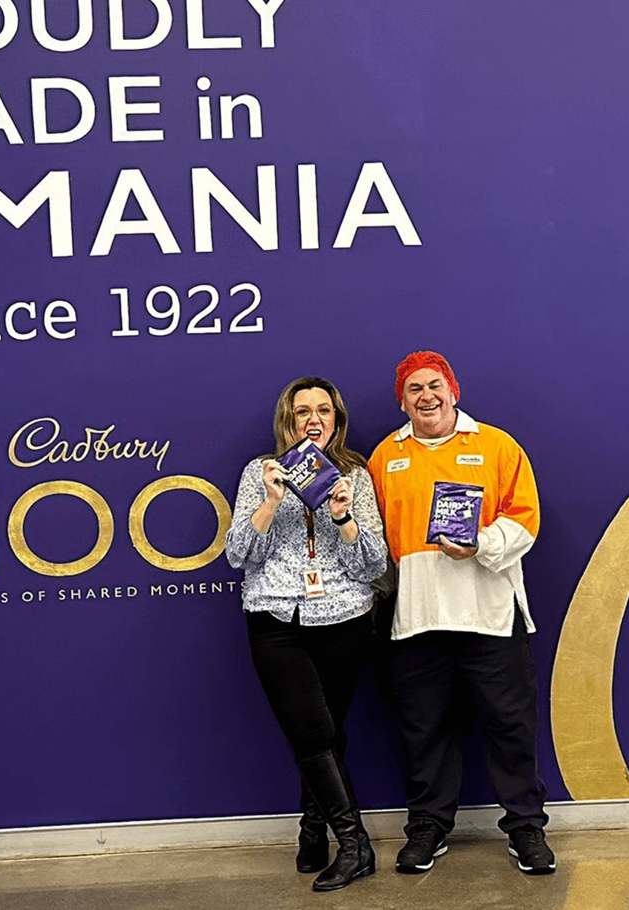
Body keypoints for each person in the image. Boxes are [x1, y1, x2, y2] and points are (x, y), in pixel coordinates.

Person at [369, 351, 555, 876]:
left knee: (511, 726)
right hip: (417, 618)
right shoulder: (386, 456)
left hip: (490, 614)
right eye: (413, 389)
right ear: (400, 400)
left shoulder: (497, 445)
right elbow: (375, 538)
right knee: (425, 729)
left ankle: (526, 828)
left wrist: (479, 543)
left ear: (453, 390)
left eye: (434, 385)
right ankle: (428, 826)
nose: (425, 396)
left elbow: (526, 519)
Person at [226, 377, 388, 893]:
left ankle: (313, 826)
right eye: (303, 413)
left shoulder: (354, 475)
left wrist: (343, 517)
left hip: (343, 620)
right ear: (288, 421)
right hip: (277, 621)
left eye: (323, 410)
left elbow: (372, 565)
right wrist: (270, 503)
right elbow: (238, 556)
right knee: (310, 733)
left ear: (336, 419)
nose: (313, 419)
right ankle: (355, 842)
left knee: (327, 733)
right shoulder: (260, 472)